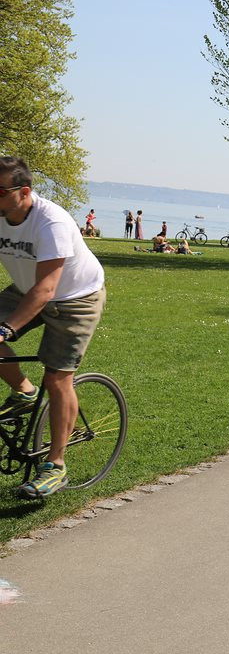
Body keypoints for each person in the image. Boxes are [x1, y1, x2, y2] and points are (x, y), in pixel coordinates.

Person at [0, 157, 106, 498]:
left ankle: (55, 466)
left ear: (24, 192)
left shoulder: (52, 222)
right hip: (25, 290)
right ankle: (25, 392)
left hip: (74, 299)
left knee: (58, 377)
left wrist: (7, 329)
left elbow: (47, 289)